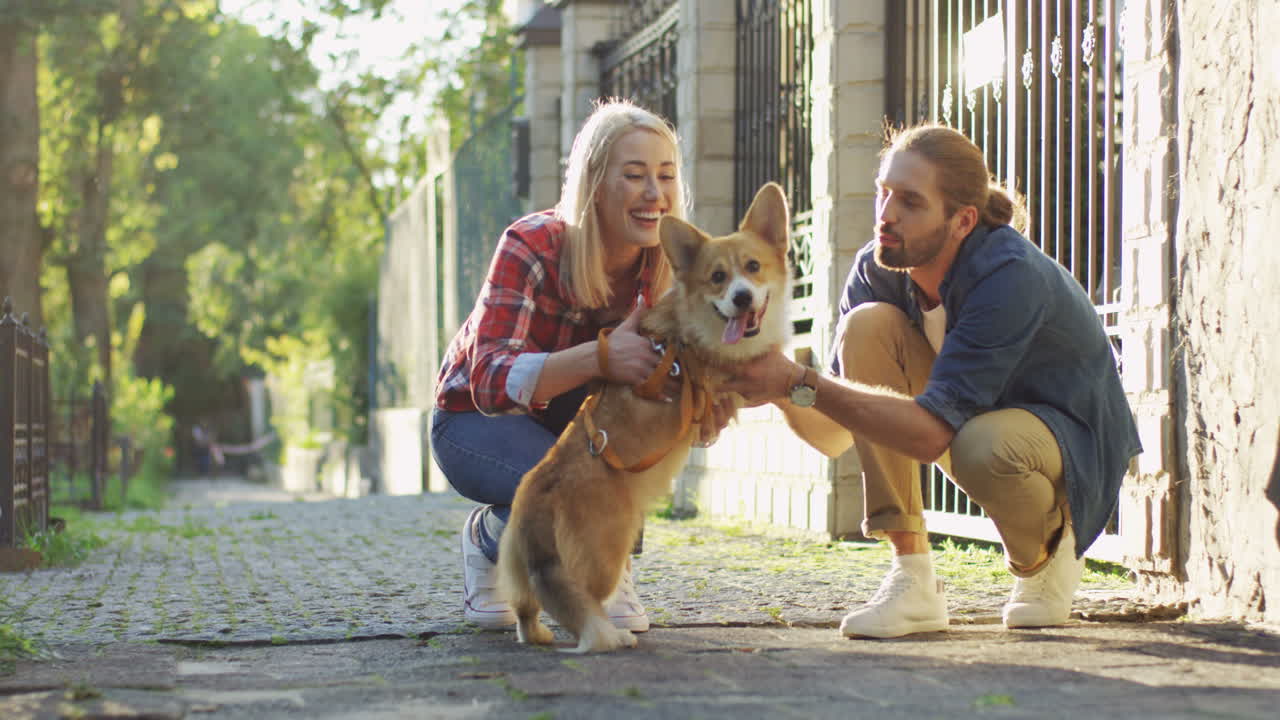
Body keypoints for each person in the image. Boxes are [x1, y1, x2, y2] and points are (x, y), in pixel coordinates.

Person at [721, 124, 1142, 638]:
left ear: (963, 220)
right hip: (972, 420)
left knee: (980, 445)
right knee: (867, 326)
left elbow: (930, 436)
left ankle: (1052, 547)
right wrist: (778, 382)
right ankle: (913, 578)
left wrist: (797, 378)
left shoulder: (1007, 273)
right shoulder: (879, 269)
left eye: (910, 202)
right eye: (883, 192)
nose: (885, 214)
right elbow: (835, 433)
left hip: (1069, 439)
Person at [431, 98, 731, 631]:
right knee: (564, 485)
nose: (653, 193)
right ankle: (488, 540)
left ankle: (610, 570)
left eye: (665, 176)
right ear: (595, 183)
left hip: (575, 424)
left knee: (625, 439)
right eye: (634, 175)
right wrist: (600, 356)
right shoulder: (532, 244)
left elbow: (674, 385)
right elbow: (487, 380)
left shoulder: (670, 266)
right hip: (474, 423)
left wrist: (705, 410)